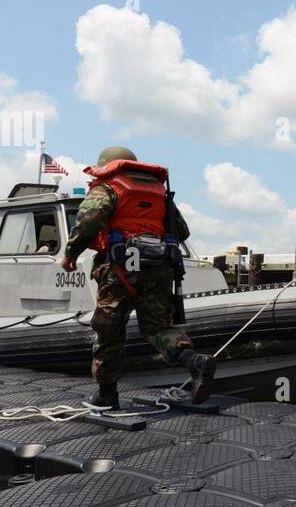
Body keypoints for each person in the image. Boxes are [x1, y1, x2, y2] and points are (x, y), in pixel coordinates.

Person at [61, 146, 216, 409]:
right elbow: (182, 231)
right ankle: (195, 362)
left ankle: (107, 395)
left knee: (109, 330)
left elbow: (88, 221)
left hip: (119, 269)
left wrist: (70, 254)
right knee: (158, 328)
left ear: (105, 166)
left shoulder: (107, 187)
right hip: (159, 267)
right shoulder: (159, 192)